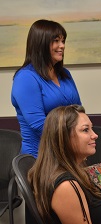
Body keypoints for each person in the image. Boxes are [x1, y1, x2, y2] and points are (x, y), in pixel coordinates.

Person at [28, 105, 101, 224]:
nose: (95, 135)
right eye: (85, 130)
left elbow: (93, 221)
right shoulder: (66, 186)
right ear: (64, 137)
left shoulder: (74, 172)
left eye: (92, 129)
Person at [11, 19, 81, 158]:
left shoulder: (65, 74)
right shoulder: (26, 77)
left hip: (68, 154)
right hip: (40, 158)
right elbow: (39, 125)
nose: (62, 46)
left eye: (63, 41)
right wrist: (74, 140)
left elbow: (78, 112)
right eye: (56, 41)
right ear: (41, 44)